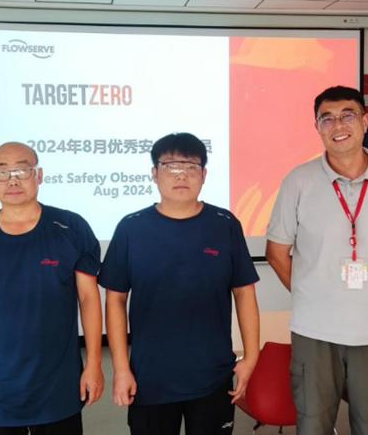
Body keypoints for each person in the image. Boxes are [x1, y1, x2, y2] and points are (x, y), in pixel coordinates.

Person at [265, 86, 368, 435]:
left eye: (348, 115)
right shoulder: (299, 181)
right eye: (326, 118)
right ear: (317, 127)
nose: (337, 125)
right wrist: (309, 294)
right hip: (315, 331)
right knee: (312, 425)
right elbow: (277, 252)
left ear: (365, 122)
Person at [100, 132, 260, 435]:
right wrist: (121, 369)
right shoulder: (132, 228)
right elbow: (115, 300)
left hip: (212, 375)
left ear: (204, 175)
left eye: (190, 166)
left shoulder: (224, 224)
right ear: (154, 173)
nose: (181, 175)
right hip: (150, 377)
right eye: (171, 166)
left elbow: (244, 292)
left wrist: (251, 357)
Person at [0, 141, 104, 434]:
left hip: (57, 385)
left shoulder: (71, 227)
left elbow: (88, 298)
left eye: (22, 170)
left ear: (38, 175)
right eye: (2, 172)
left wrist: (94, 364)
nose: (12, 180)